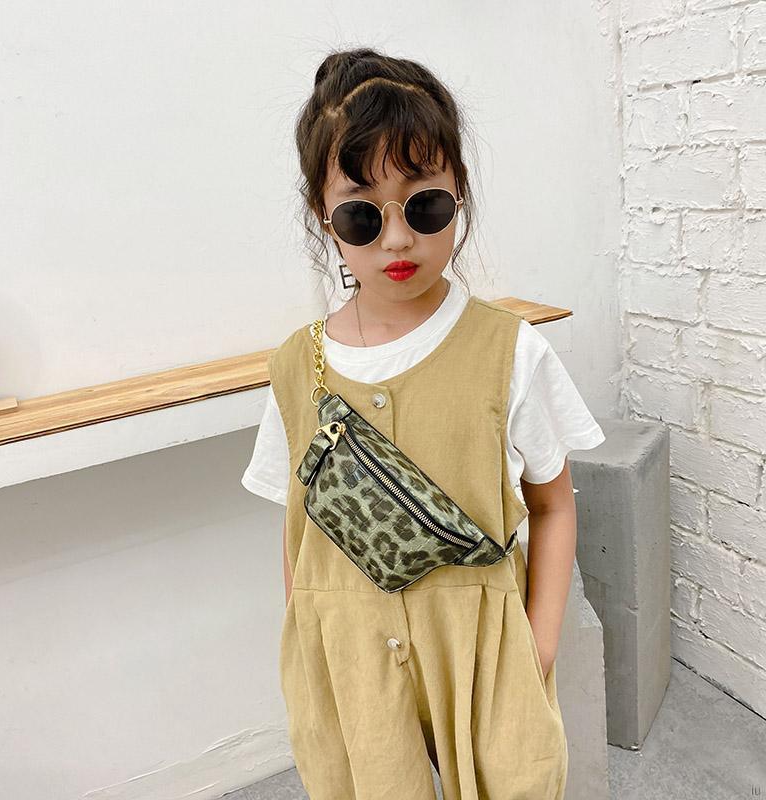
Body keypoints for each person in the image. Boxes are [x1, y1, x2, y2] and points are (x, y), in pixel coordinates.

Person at [241, 47, 605, 800]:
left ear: (458, 193)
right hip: (351, 663)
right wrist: (311, 638)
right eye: (362, 214)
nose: (398, 239)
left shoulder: (510, 352)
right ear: (325, 218)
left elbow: (553, 504)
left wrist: (536, 648)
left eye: (425, 205)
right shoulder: (294, 369)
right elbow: (298, 529)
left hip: (483, 653)